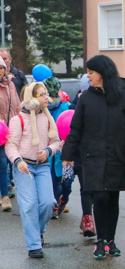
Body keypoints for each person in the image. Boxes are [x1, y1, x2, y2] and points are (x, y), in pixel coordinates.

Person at [61, 55, 125, 259]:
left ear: (102, 73)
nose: (88, 76)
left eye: (91, 72)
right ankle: (100, 241)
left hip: (116, 156)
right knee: (100, 197)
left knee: (112, 198)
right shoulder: (86, 98)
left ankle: (110, 240)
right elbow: (76, 128)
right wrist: (68, 154)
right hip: (92, 156)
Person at [5, 82, 62, 258]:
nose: (46, 97)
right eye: (41, 94)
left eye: (46, 94)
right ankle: (34, 245)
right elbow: (10, 145)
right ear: (31, 98)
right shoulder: (18, 120)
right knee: (29, 205)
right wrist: (18, 161)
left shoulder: (47, 117)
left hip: (43, 166)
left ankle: (38, 230)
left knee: (47, 203)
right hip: (24, 167)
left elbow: (57, 142)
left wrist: (48, 151)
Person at [69, 75, 95, 237]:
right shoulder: (74, 106)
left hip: (98, 153)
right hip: (81, 154)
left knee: (95, 189)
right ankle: (88, 219)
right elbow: (70, 131)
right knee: (86, 188)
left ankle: (90, 217)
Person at [43, 77, 72, 218]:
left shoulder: (66, 108)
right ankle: (54, 205)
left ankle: (64, 199)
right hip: (50, 151)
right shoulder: (42, 109)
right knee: (53, 180)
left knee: (66, 182)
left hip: (65, 152)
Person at [0, 57, 21, 212]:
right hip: (0, 131)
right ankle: (5, 196)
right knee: (2, 163)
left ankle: (8, 194)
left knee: (9, 163)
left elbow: (17, 105)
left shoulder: (11, 85)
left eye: (1, 67)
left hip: (10, 130)